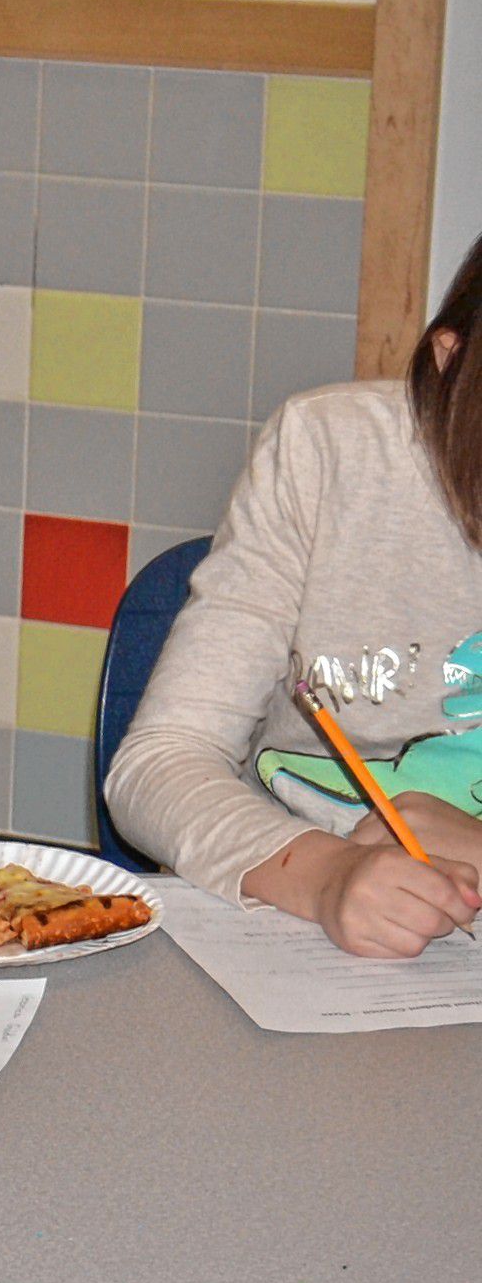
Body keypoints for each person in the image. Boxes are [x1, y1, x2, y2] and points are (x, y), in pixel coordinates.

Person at [105, 234, 482, 958]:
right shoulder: (330, 451)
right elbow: (159, 763)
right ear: (450, 360)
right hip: (292, 937)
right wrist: (329, 876)